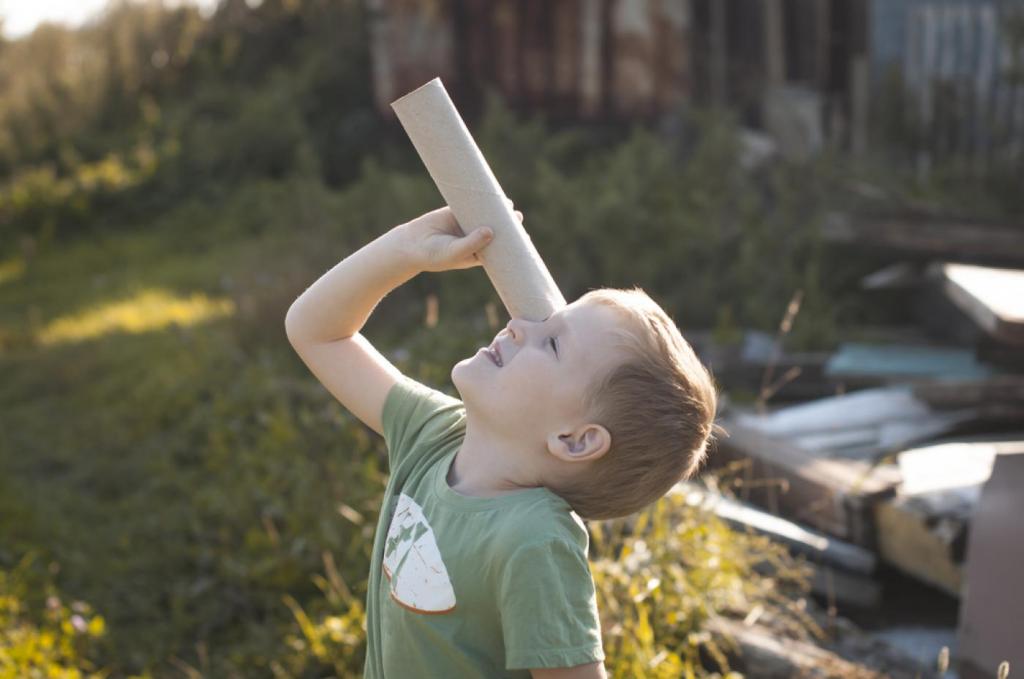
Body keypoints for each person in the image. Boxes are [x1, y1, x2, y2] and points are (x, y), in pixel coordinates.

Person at [285, 206, 722, 678]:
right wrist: (406, 249)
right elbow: (315, 331)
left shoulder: (534, 540)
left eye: (552, 342)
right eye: (544, 320)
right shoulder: (433, 434)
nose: (519, 324)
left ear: (574, 440)